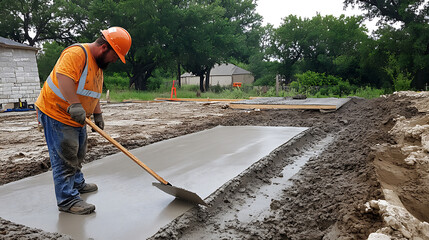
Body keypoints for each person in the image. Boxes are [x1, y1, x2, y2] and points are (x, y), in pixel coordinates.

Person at [35, 27, 132, 214]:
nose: (114, 60)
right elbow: (64, 77)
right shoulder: (77, 53)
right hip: (57, 112)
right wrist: (74, 105)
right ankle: (67, 200)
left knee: (79, 151)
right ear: (105, 47)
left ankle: (77, 183)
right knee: (66, 155)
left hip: (78, 116)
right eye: (115, 56)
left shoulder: (98, 65)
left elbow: (92, 92)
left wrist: (98, 113)